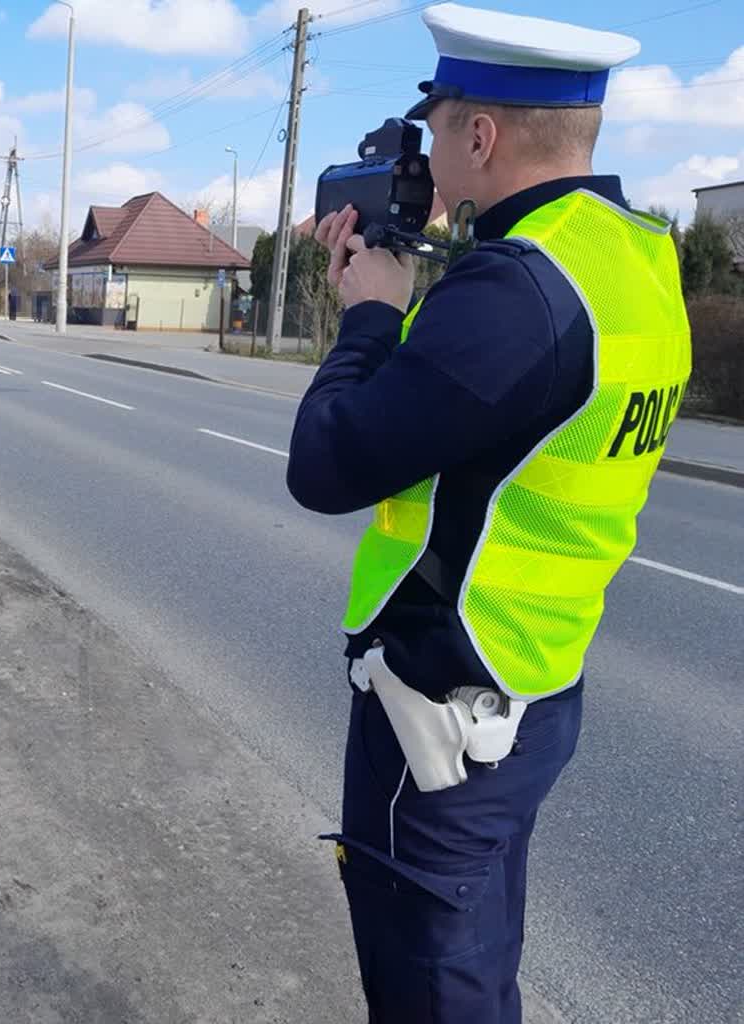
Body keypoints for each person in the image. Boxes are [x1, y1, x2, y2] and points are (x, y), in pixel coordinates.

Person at [285, 4, 691, 1021]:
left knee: (430, 983)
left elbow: (325, 464)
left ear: (478, 135)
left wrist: (370, 310)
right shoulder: (629, 255)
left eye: (434, 126)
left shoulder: (513, 290)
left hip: (438, 714)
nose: (421, 152)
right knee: (476, 962)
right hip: (534, 686)